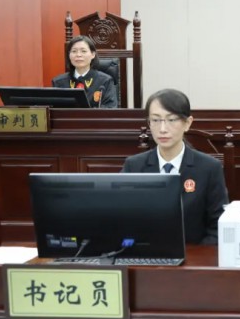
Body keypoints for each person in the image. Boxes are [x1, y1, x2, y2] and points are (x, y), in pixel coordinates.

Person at [121, 88, 228, 245]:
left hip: (193, 255)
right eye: (155, 120)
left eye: (171, 120)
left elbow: (218, 227)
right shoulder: (134, 166)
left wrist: (194, 255)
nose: (163, 129)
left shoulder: (209, 168)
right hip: (146, 254)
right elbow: (121, 219)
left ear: (187, 123)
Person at [51, 36, 118, 108]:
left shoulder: (105, 81)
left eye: (83, 51)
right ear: (69, 55)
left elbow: (110, 109)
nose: (78, 55)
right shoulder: (59, 82)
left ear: (93, 54)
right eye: (74, 51)